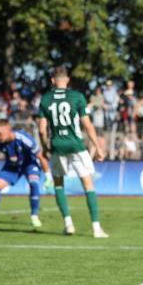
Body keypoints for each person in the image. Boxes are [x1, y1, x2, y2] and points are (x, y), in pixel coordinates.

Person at [38, 66, 109, 238]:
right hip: (76, 145)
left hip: (57, 146)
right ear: (67, 80)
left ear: (52, 81)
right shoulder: (77, 97)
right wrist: (98, 148)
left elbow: (42, 129)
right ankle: (96, 228)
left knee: (59, 184)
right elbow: (87, 125)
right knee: (88, 185)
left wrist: (46, 147)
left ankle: (68, 224)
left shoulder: (45, 99)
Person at [0, 119, 52, 228]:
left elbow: (40, 156)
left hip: (29, 164)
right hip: (12, 167)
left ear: (8, 130)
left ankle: (34, 216)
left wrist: (48, 175)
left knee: (33, 183)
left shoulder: (24, 138)